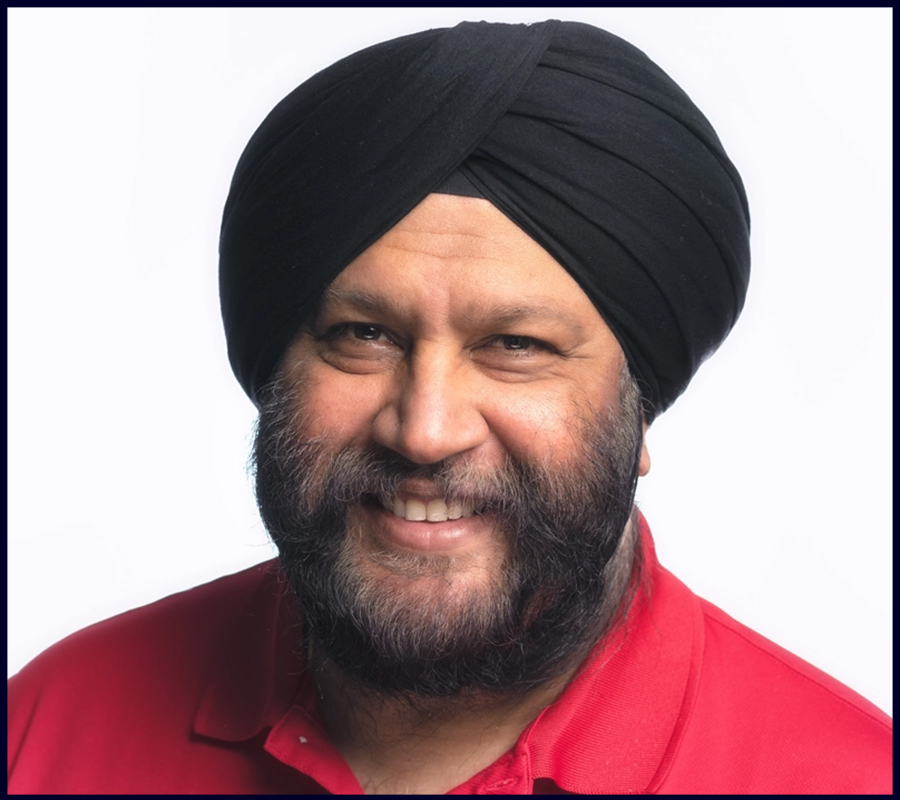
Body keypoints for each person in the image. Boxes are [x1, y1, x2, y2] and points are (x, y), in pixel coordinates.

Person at [7, 17, 891, 795]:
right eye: (363, 334)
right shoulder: (43, 730)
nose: (426, 430)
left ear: (641, 406)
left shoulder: (850, 779)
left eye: (516, 345)